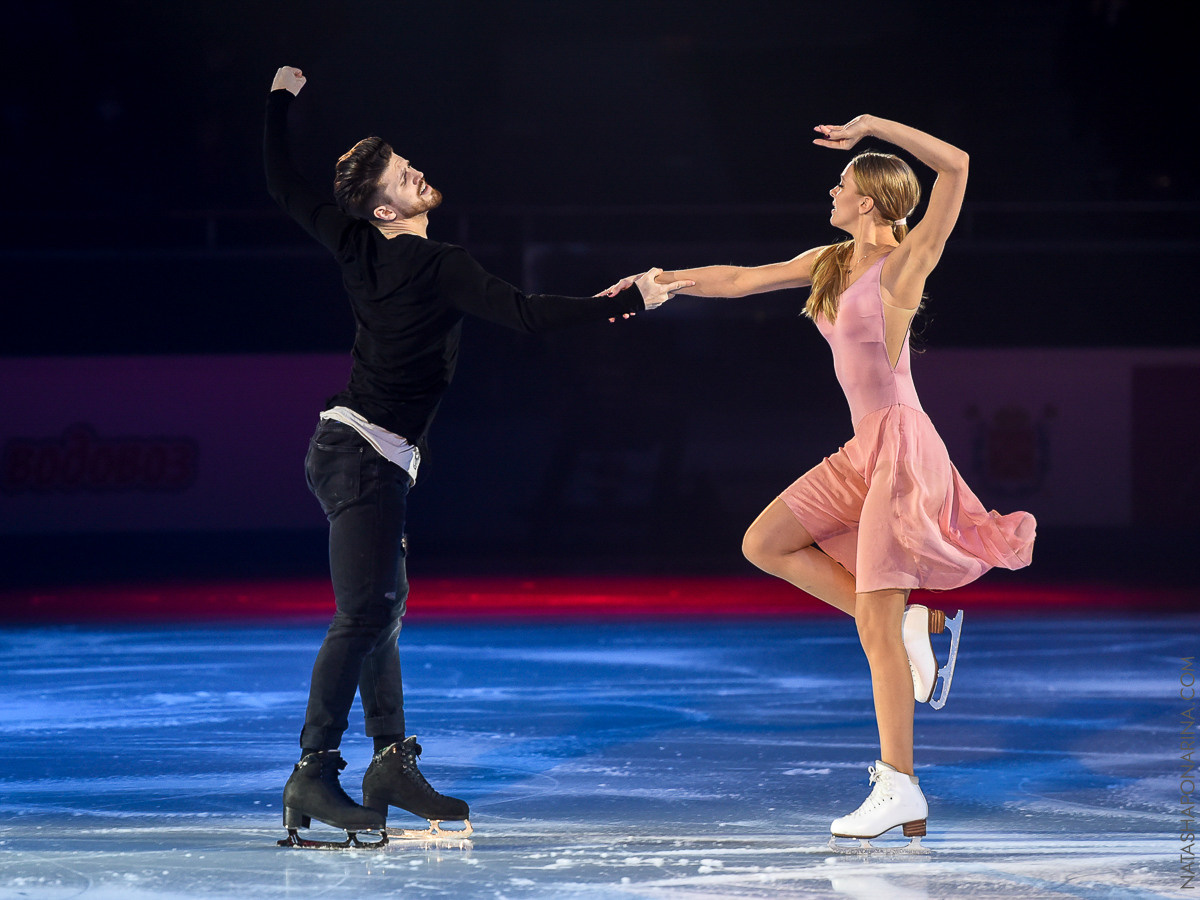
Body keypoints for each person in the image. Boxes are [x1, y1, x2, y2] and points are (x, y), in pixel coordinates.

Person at [264, 65, 691, 847]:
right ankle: (312, 772)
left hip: (362, 455)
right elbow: (526, 316)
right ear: (388, 206)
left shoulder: (354, 241)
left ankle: (388, 762)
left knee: (382, 614)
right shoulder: (437, 262)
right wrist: (625, 301)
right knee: (365, 614)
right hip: (361, 454)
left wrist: (279, 102)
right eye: (402, 175)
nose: (417, 172)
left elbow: (282, 182)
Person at [614, 114, 1035, 845]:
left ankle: (899, 784)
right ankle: (910, 624)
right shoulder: (832, 261)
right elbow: (743, 280)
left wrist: (876, 126)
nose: (832, 190)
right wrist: (663, 284)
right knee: (767, 542)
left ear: (869, 199)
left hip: (903, 450)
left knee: (873, 634)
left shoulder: (904, 265)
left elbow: (958, 166)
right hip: (863, 449)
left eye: (842, 184)